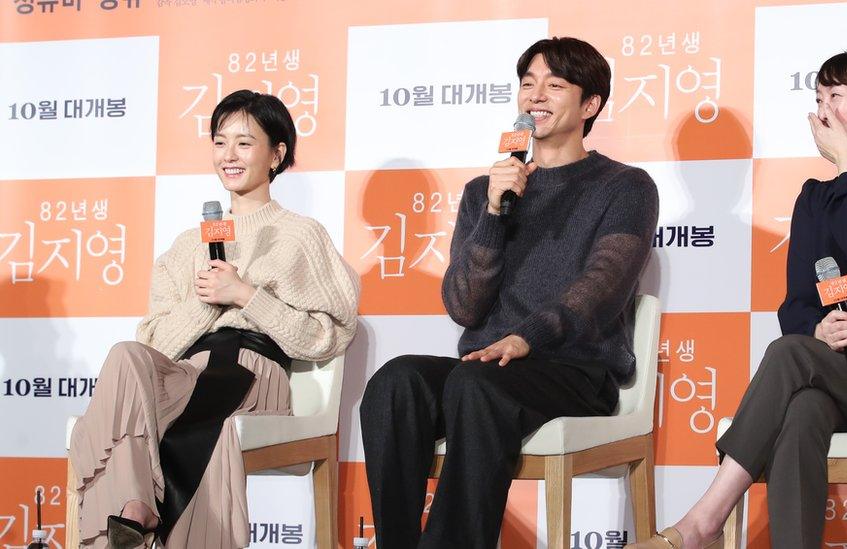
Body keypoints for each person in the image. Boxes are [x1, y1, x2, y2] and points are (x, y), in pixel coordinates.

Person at [630, 46, 847, 549]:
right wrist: (817, 329)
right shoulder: (816, 198)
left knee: (790, 357)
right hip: (842, 372)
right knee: (804, 407)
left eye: (836, 95)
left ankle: (704, 520)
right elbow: (796, 305)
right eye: (817, 97)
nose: (822, 110)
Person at [359, 36, 659, 548]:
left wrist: (527, 337)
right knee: (395, 382)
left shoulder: (625, 187)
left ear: (590, 105)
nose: (535, 96)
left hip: (572, 369)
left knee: (474, 385)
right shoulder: (486, 190)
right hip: (485, 369)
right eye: (528, 84)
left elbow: (602, 289)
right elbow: (463, 305)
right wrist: (496, 214)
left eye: (555, 85)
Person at [68, 90, 360, 549]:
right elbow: (154, 341)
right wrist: (207, 302)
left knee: (203, 407)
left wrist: (246, 296)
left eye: (244, 143)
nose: (229, 155)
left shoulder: (301, 236)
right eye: (220, 142)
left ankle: (137, 522)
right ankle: (134, 509)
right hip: (189, 370)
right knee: (126, 355)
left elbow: (328, 335)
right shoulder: (189, 244)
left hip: (251, 370)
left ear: (276, 154)